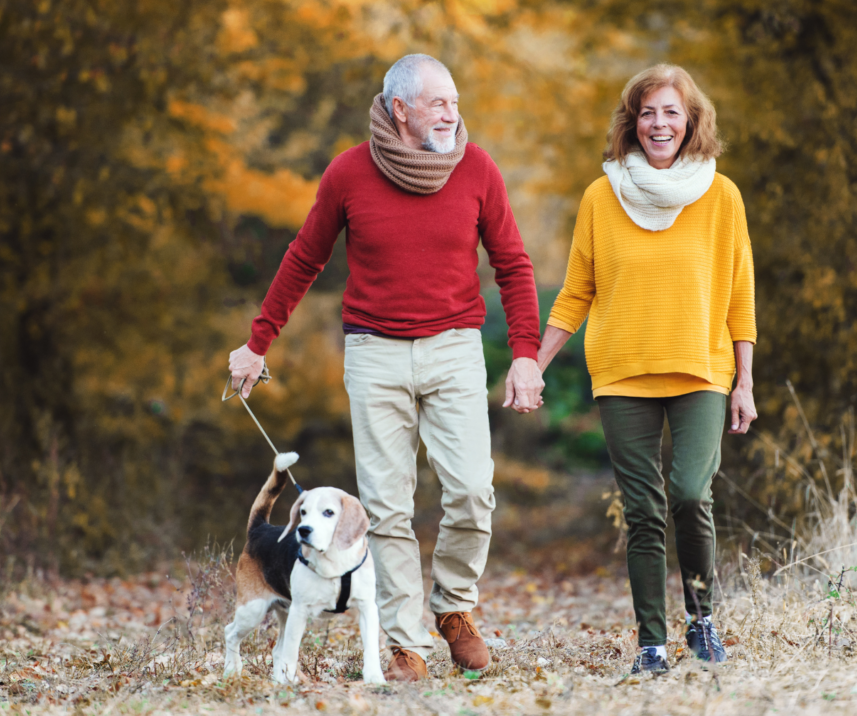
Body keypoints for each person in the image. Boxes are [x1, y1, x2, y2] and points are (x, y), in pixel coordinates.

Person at [227, 54, 544, 681]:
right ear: (399, 109)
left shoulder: (476, 168)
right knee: (387, 506)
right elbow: (304, 257)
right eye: (438, 104)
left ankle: (455, 611)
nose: (453, 114)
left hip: (455, 347)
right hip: (374, 353)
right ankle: (405, 644)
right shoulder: (349, 172)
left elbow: (513, 263)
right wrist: (258, 340)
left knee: (473, 491)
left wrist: (526, 354)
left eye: (455, 101)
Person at [538, 63, 757, 674]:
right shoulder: (600, 196)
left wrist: (744, 382)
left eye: (671, 112)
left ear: (691, 121)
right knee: (643, 511)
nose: (659, 123)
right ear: (631, 122)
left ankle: (702, 618)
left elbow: (740, 295)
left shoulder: (722, 195)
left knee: (690, 493)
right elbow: (576, 291)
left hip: (701, 371)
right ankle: (652, 644)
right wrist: (533, 363)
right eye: (648, 112)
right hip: (622, 374)